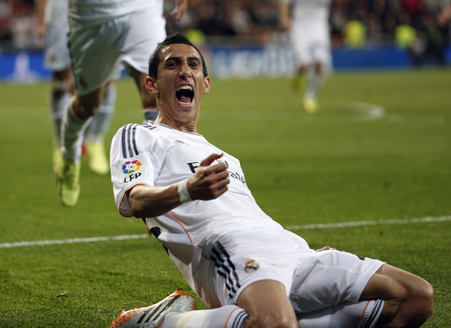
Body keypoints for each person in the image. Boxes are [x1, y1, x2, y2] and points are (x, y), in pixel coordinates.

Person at [108, 34, 434, 328]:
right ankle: (166, 324)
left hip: (291, 248)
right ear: (151, 85)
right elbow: (133, 200)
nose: (184, 71)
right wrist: (187, 189)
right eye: (172, 64)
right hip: (227, 251)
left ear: (205, 83)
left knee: (416, 296)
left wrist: (295, 250)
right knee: (277, 323)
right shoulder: (139, 135)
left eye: (193, 64)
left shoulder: (226, 157)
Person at [56, 0, 188, 207]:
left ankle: (153, 189)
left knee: (157, 91)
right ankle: (69, 156)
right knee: (88, 105)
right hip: (91, 14)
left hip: (141, 8)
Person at [35, 0, 118, 176]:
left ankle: (95, 141)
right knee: (60, 81)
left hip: (101, 10)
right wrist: (41, 18)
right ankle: (61, 145)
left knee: (107, 76)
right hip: (60, 11)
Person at [279, 0, 332, 113]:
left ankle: (310, 97)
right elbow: (284, 2)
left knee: (320, 63)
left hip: (319, 26)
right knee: (304, 64)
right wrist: (285, 18)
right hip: (300, 27)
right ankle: (298, 74)